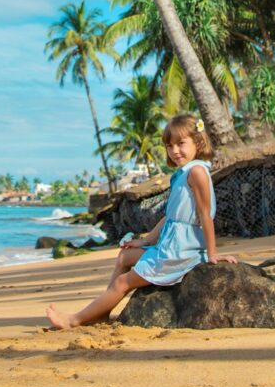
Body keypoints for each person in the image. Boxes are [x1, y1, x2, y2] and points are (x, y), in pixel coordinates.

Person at [46, 112, 237, 329]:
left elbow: (205, 216)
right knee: (124, 257)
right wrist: (144, 241)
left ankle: (74, 320)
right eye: (169, 145)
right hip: (170, 245)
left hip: (180, 252)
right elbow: (169, 218)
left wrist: (212, 255)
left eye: (181, 144)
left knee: (122, 282)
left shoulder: (197, 172)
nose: (174, 151)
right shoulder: (183, 174)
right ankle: (102, 313)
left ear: (198, 142)